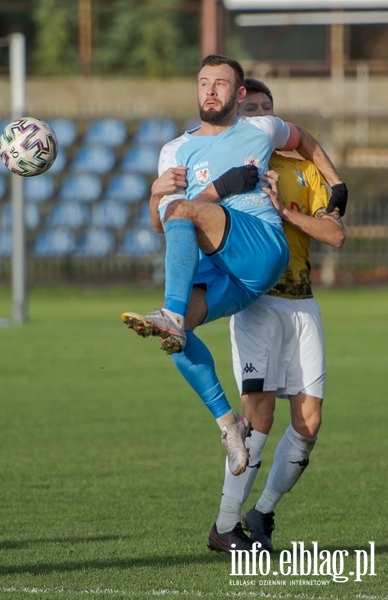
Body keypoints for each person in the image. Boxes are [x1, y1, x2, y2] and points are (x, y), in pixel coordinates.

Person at [121, 55, 347, 480]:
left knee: (183, 228)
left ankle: (169, 312)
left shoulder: (261, 128)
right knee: (176, 334)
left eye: (221, 84)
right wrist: (156, 196)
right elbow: (163, 223)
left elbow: (305, 141)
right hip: (225, 272)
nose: (210, 90)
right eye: (204, 82)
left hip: (261, 249)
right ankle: (228, 424)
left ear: (239, 94)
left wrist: (337, 184)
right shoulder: (174, 150)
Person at [207, 78, 346, 554]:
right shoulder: (229, 165)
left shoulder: (303, 170)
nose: (259, 117)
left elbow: (335, 235)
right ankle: (224, 527)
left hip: (303, 303)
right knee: (257, 422)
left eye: (267, 110)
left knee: (309, 421)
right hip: (256, 302)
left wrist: (287, 215)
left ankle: (261, 514)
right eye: (250, 110)